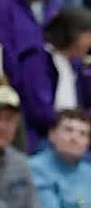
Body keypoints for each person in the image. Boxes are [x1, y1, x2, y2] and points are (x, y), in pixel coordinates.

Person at [15, 8, 91, 151]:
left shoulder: (76, 65)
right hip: (43, 138)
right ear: (72, 34)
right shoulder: (36, 60)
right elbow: (39, 111)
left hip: (76, 135)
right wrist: (68, 125)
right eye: (88, 36)